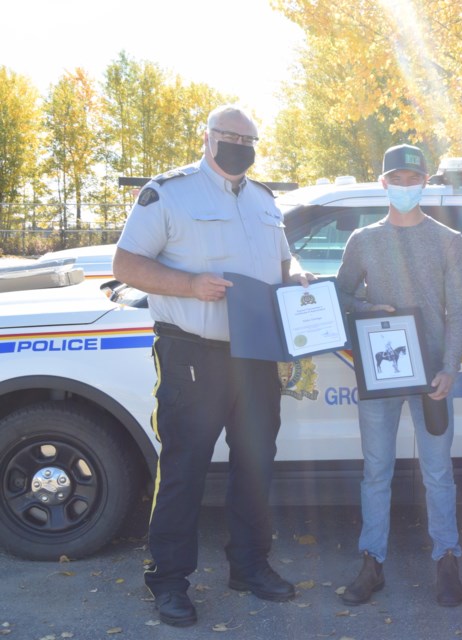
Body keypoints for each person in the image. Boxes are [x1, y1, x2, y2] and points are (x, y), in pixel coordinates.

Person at [113, 105, 306, 627]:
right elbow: (126, 264)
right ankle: (169, 581)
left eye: (250, 137)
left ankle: (249, 565)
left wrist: (300, 279)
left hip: (256, 354)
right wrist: (190, 285)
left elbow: (283, 264)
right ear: (207, 138)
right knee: (184, 468)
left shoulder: (265, 200)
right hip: (193, 354)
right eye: (230, 135)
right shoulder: (169, 192)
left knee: (255, 465)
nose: (241, 144)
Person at [336, 144, 462, 607]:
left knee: (438, 472)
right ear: (383, 183)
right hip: (381, 375)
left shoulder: (448, 240)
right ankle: (372, 562)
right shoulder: (364, 240)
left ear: (426, 182)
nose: (406, 186)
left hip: (433, 377)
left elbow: (460, 310)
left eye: (414, 179)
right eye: (397, 178)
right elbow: (341, 295)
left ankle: (447, 559)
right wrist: (365, 309)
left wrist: (450, 369)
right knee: (376, 471)